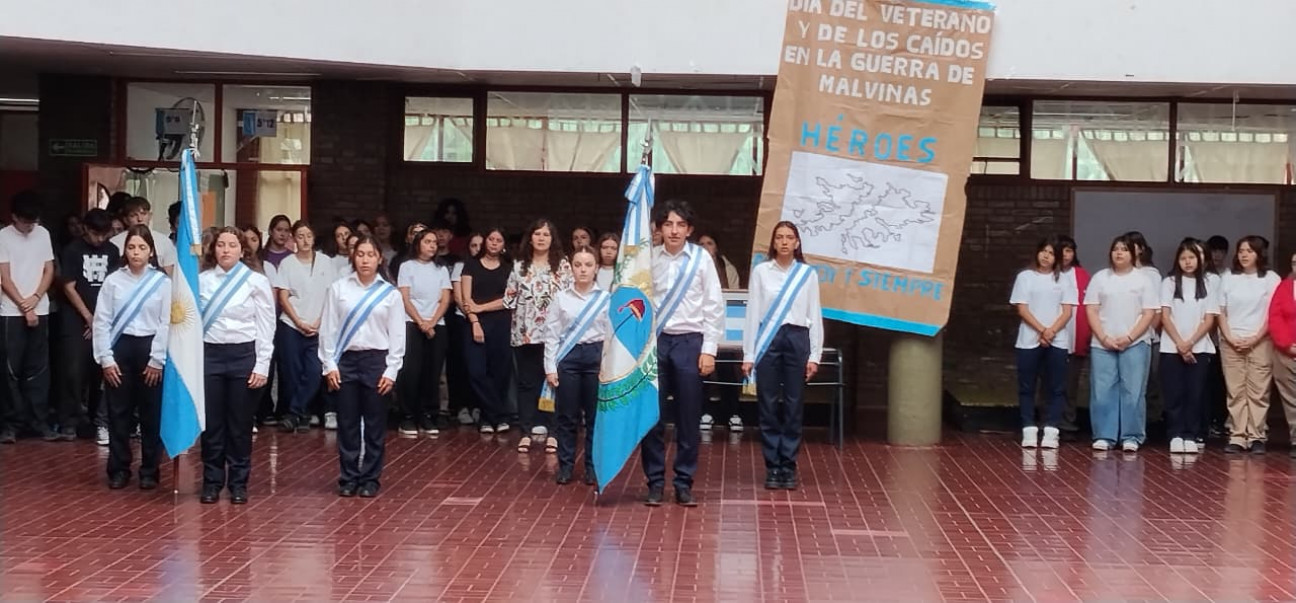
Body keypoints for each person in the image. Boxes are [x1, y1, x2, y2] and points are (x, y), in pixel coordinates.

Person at [643, 199, 724, 507]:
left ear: (689, 230)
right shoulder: (650, 260)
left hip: (691, 342)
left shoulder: (701, 259)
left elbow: (713, 306)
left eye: (680, 225)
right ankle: (654, 481)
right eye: (668, 224)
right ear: (659, 229)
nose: (674, 231)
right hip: (657, 342)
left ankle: (683, 482)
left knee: (689, 416)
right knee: (653, 416)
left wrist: (709, 350)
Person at [320, 235, 406, 498]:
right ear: (352, 257)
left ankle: (370, 477)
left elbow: (397, 335)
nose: (365, 259)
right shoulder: (339, 289)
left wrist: (391, 369)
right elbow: (328, 329)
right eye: (360, 254)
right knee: (346, 422)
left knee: (374, 422)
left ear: (379, 258)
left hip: (376, 361)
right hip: (346, 361)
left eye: (370, 254)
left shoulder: (390, 294)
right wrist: (329, 364)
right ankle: (348, 477)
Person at [741, 222, 823, 490]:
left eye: (790, 237)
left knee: (793, 403)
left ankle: (788, 464)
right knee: (766, 403)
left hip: (797, 338)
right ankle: (772, 466)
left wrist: (815, 354)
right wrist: (749, 353)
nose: (785, 242)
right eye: (779, 237)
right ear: (773, 242)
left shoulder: (807, 274)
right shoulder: (761, 272)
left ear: (797, 243)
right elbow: (753, 313)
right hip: (769, 340)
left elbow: (815, 313)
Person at [198, 227, 275, 504]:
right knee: (212, 424)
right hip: (211, 355)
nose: (226, 250)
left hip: (244, 355)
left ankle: (239, 482)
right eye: (221, 245)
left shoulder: (256, 281)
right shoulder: (202, 281)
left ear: (243, 250)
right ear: (214, 249)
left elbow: (267, 325)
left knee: (240, 424)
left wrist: (262, 364)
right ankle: (211, 481)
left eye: (232, 245)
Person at [92, 226, 170, 489]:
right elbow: (101, 321)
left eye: (142, 248)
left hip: (150, 348)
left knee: (151, 414)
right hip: (120, 348)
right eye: (132, 247)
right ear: (125, 250)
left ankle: (149, 469)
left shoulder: (162, 282)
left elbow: (166, 323)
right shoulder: (113, 281)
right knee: (119, 412)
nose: (136, 253)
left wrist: (157, 359)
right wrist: (106, 358)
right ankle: (119, 468)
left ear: (151, 251)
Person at [1084, 234, 1159, 452]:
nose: (1119, 253)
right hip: (1102, 343)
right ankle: (1104, 435)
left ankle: (1131, 436)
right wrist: (1104, 337)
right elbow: (1091, 309)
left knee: (1133, 390)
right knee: (1102, 389)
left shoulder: (1143, 279)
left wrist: (1129, 337)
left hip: (1135, 343)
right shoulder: (1100, 278)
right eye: (1115, 249)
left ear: (1134, 253)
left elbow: (1149, 313)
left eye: (1124, 249)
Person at [504, 219, 572, 453]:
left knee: (553, 382)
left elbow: (570, 298)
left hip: (555, 335)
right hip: (525, 334)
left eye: (546, 234)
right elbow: (509, 298)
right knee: (527, 383)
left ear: (553, 239)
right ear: (530, 237)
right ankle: (526, 430)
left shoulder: (562, 265)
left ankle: (553, 431)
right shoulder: (519, 265)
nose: (541, 238)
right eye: (537, 234)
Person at [543, 245, 610, 485]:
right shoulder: (561, 298)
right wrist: (550, 367)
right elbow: (551, 334)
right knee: (567, 417)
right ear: (571, 268)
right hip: (568, 358)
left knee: (595, 418)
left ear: (596, 268)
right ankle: (566, 466)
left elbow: (611, 336)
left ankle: (592, 468)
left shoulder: (605, 299)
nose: (583, 270)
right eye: (578, 265)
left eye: (588, 265)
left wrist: (607, 366)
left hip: (595, 357)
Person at [57, 209, 119, 444]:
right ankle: (69, 420)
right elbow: (69, 286)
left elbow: (113, 287)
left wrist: (100, 320)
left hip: (103, 318)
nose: (99, 240)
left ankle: (95, 419)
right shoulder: (73, 250)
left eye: (104, 235)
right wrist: (88, 317)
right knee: (73, 370)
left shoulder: (112, 251)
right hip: (76, 318)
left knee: (98, 370)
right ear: (86, 229)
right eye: (95, 234)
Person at [1008, 236, 1076, 449]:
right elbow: (1022, 308)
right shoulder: (1025, 277)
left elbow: (1067, 311)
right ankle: (1028, 428)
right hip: (1029, 339)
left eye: (1051, 253)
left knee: (1056, 386)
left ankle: (1051, 430)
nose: (1046, 256)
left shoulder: (1064, 280)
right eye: (1043, 251)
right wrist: (1041, 330)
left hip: (1057, 340)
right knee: (1027, 385)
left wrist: (1051, 332)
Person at [0, 191, 57, 443]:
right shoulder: (3, 236)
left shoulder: (43, 234)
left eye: (32, 222)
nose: (29, 226)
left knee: (39, 368)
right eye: (24, 222)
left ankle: (38, 421)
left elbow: (49, 269)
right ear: (13, 217)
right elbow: (4, 277)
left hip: (39, 307)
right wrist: (25, 306)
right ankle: (12, 423)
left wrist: (35, 299)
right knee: (11, 369)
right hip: (11, 311)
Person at [1218, 235, 1280, 454]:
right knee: (1235, 391)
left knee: (1258, 391)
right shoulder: (1228, 277)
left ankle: (1257, 436)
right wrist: (1230, 337)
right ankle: (1237, 435)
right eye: (1241, 250)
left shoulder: (1270, 278)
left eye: (1249, 251)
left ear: (1259, 254)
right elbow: (1221, 311)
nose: (1244, 255)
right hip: (1231, 341)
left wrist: (1255, 338)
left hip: (1260, 341)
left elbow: (1273, 314)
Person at [275, 221, 337, 433]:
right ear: (294, 238)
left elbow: (331, 295)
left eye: (308, 236)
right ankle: (299, 414)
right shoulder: (287, 263)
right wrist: (299, 321)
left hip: (318, 325)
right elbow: (282, 296)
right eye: (300, 236)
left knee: (313, 370)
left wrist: (319, 321)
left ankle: (294, 412)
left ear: (314, 237)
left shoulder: (326, 263)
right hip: (291, 324)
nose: (304, 240)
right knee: (292, 371)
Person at [1158, 238, 1218, 455]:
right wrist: (1180, 344)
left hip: (1199, 348)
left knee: (1195, 393)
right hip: (1171, 347)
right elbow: (1165, 316)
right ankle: (1175, 434)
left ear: (1200, 260)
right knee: (1174, 394)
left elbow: (1209, 319)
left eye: (1191, 257)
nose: (1188, 262)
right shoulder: (1169, 283)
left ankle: (1190, 434)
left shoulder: (1209, 284)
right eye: (1183, 258)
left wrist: (1190, 343)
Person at [396, 229, 452, 436]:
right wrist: (421, 322)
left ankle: (428, 414)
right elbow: (404, 297)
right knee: (411, 371)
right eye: (427, 241)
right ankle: (408, 416)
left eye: (434, 243)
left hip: (436, 324)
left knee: (433, 372)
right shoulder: (406, 266)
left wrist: (432, 322)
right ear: (417, 243)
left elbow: (445, 299)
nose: (432, 246)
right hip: (412, 323)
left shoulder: (441, 269)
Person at [461, 228, 514, 434]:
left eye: (498, 240)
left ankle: (487, 417)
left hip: (501, 324)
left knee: (499, 372)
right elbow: (467, 299)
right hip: (474, 324)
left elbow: (508, 300)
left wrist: (480, 307)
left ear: (504, 245)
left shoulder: (509, 269)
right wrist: (475, 320)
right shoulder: (471, 265)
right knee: (477, 372)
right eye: (491, 239)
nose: (494, 243)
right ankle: (499, 413)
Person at [448, 233, 484, 426]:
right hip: (463, 321)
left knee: (480, 367)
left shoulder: (488, 265)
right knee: (462, 365)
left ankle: (478, 405)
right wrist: (472, 316)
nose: (477, 248)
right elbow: (460, 297)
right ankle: (462, 406)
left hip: (485, 320)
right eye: (473, 245)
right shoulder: (460, 267)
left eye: (480, 245)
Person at [1057, 235, 1090, 434]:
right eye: (1062, 250)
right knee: (1050, 383)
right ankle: (1048, 420)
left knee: (1070, 384)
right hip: (1051, 337)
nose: (1065, 255)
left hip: (1075, 337)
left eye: (1069, 250)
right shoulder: (1047, 274)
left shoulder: (1082, 275)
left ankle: (1068, 422)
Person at [1265, 251, 1296, 459]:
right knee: (1291, 399)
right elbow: (1274, 316)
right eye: (1294, 263)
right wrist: (1287, 345)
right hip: (1287, 351)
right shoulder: (1284, 287)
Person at [109, 197, 177, 276]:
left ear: (150, 216)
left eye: (144, 214)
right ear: (125, 219)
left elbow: (168, 275)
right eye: (133, 215)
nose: (140, 219)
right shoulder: (114, 243)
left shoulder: (164, 241)